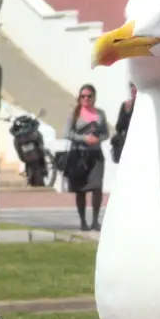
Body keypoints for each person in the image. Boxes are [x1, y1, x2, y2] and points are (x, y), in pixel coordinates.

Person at [65, 83, 108, 230]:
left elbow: (106, 133)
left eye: (89, 96)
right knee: (81, 190)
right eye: (83, 96)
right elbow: (67, 133)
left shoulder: (100, 113)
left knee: (97, 188)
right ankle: (83, 221)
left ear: (94, 97)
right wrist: (84, 139)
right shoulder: (75, 113)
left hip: (95, 155)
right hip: (79, 155)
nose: (86, 99)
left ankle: (95, 220)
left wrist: (98, 139)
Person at [110, 83, 137, 164]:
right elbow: (119, 127)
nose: (134, 94)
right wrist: (126, 112)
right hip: (127, 144)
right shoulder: (126, 105)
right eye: (133, 91)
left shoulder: (145, 106)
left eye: (136, 91)